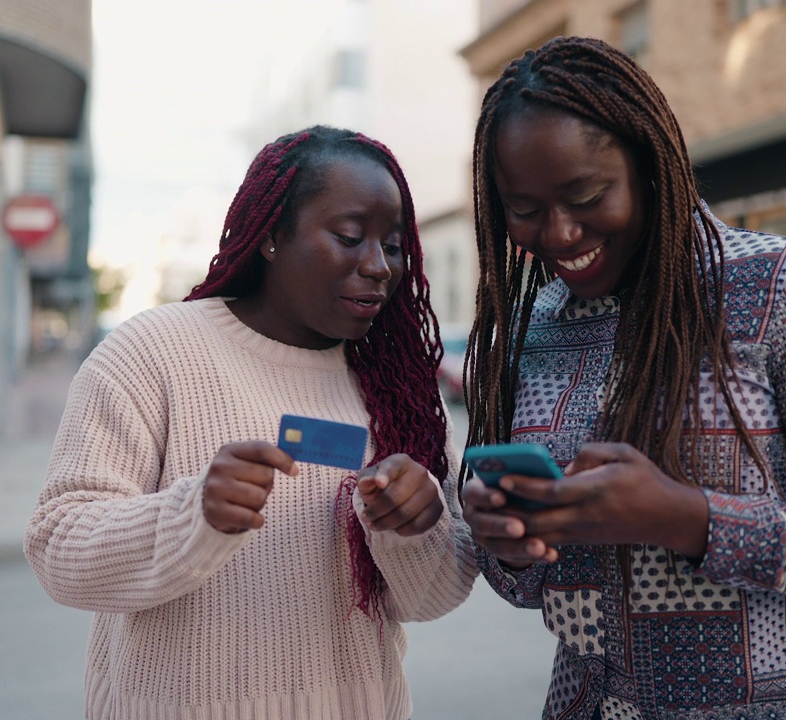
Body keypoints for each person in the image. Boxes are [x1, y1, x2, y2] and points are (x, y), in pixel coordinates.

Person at [459, 36, 786, 719]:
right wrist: (508, 542)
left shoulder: (780, 286)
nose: (559, 233)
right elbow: (527, 589)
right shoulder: (531, 328)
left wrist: (689, 519)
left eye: (586, 194)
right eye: (524, 209)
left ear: (650, 167)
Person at [25, 125, 477, 720]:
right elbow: (59, 551)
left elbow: (434, 597)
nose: (377, 266)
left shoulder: (403, 390)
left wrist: (415, 528)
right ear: (270, 235)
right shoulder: (152, 354)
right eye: (348, 237)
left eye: (392, 246)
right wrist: (194, 513)